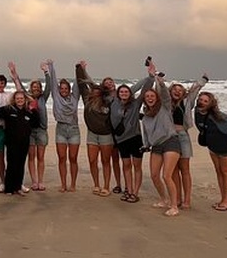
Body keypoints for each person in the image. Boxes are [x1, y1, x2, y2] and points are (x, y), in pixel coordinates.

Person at [140, 63, 183, 217]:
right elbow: (146, 133)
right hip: (156, 146)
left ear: (156, 98)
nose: (150, 98)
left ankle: (174, 206)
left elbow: (164, 93)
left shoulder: (165, 106)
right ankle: (163, 199)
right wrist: (146, 145)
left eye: (152, 96)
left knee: (167, 176)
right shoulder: (146, 116)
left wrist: (158, 79)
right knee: (153, 175)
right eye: (147, 97)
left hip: (171, 142)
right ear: (145, 100)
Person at [110, 65, 155, 204]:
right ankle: (128, 190)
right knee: (126, 166)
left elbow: (145, 89)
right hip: (121, 140)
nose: (123, 93)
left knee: (137, 167)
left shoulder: (135, 104)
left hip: (135, 138)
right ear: (118, 94)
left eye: (126, 91)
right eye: (121, 91)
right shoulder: (114, 104)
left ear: (130, 93)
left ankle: (135, 193)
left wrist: (151, 77)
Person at [9, 61, 51, 191]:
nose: (36, 89)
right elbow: (20, 88)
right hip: (30, 131)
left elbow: (49, 86)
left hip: (42, 130)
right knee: (31, 157)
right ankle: (34, 181)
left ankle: (41, 181)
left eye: (38, 87)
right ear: (31, 88)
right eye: (34, 87)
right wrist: (15, 75)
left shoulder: (44, 98)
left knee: (41, 157)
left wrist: (46, 72)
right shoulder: (27, 98)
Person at [168, 74, 208, 209]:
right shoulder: (166, 104)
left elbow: (194, 91)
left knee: (184, 169)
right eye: (175, 89)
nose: (177, 91)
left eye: (180, 90)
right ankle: (177, 198)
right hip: (169, 137)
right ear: (170, 91)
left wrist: (202, 80)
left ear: (183, 93)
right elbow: (159, 91)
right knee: (173, 170)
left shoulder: (187, 103)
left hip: (183, 136)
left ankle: (187, 199)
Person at [77, 61, 114, 197]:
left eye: (99, 92)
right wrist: (79, 68)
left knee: (105, 161)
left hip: (106, 135)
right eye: (94, 91)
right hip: (92, 135)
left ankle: (106, 186)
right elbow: (82, 84)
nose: (96, 93)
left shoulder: (108, 101)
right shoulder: (87, 99)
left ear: (102, 93)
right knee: (92, 160)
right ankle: (96, 184)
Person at [46, 59, 83, 192]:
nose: (63, 90)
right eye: (61, 88)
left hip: (73, 130)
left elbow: (78, 84)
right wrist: (51, 66)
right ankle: (63, 184)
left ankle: (73, 184)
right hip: (60, 129)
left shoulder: (75, 97)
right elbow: (53, 81)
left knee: (73, 158)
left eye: (66, 88)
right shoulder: (56, 96)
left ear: (69, 89)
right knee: (62, 158)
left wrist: (79, 68)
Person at [0, 90, 38, 196]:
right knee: (11, 164)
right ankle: (9, 189)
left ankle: (18, 187)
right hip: (11, 142)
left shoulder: (28, 112)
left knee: (20, 165)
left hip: (24, 142)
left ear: (24, 100)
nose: (19, 100)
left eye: (21, 98)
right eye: (17, 98)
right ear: (14, 100)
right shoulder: (8, 109)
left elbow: (36, 123)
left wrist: (33, 109)